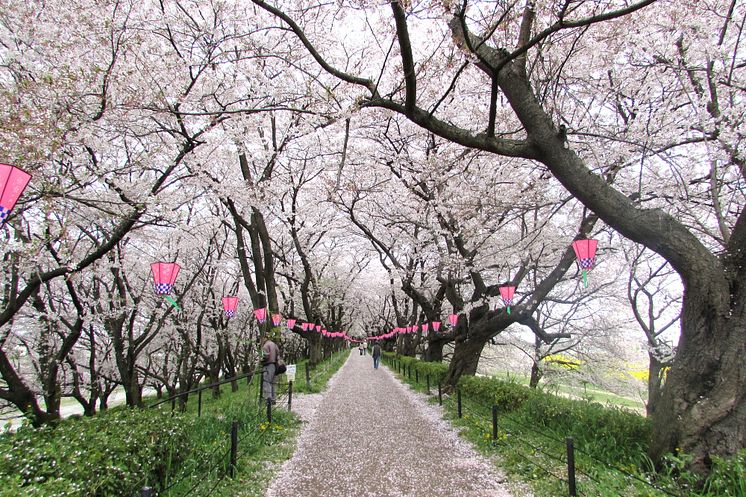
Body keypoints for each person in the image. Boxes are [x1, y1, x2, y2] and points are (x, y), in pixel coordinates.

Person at [261, 335, 280, 403]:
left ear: (265, 338)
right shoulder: (274, 344)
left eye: (262, 338)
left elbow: (265, 356)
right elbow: (278, 353)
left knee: (266, 382)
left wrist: (261, 360)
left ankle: (268, 399)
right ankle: (273, 398)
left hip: (268, 365)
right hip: (275, 365)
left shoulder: (265, 346)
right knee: (273, 382)